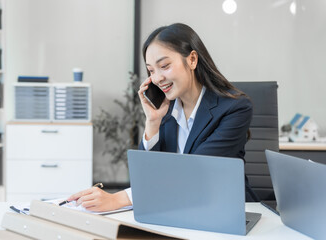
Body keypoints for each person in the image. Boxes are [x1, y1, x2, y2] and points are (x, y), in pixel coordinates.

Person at [67, 23, 259, 212]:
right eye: (151, 71)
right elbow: (145, 176)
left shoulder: (235, 108)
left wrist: (119, 198)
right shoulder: (166, 111)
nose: (157, 78)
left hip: (225, 211)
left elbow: (197, 172)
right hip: (176, 209)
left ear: (192, 60)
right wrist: (152, 122)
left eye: (164, 66)